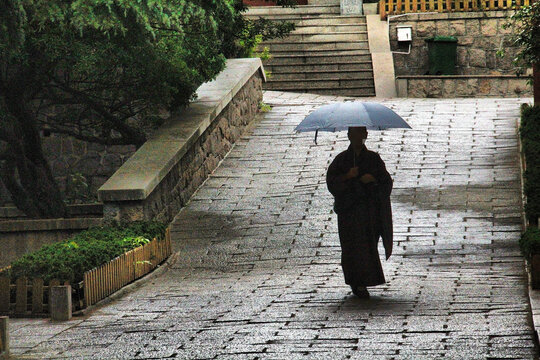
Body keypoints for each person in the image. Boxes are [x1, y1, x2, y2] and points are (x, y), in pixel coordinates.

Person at [326, 126, 393, 299]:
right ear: (349, 136)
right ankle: (356, 282)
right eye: (354, 134)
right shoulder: (341, 160)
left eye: (360, 134)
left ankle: (365, 280)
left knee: (367, 246)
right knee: (350, 247)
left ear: (365, 135)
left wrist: (373, 179)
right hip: (349, 213)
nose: (357, 137)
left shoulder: (373, 159)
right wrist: (347, 176)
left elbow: (386, 182)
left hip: (369, 212)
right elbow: (332, 183)